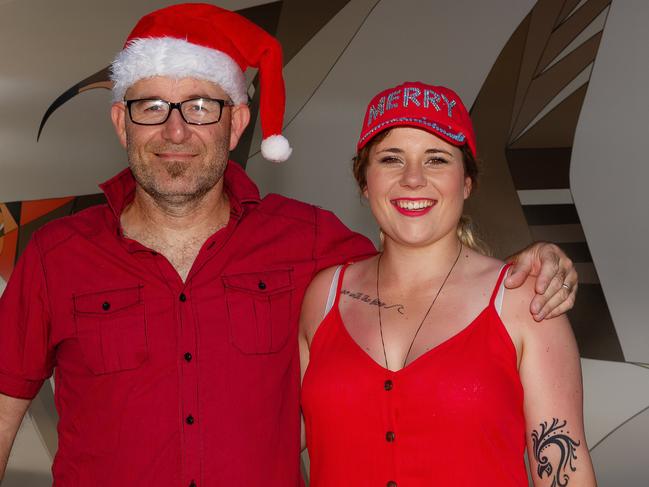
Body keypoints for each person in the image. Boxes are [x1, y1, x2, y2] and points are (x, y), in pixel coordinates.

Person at [0, 5, 577, 487]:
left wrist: (541, 259)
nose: (176, 131)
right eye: (151, 107)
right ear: (122, 123)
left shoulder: (313, 244)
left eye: (202, 106)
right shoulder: (55, 255)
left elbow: (420, 254)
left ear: (238, 121)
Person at [300, 82, 596, 486]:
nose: (413, 179)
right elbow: (270, 446)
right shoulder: (323, 297)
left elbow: (565, 474)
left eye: (436, 159)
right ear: (364, 182)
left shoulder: (524, 302)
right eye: (391, 159)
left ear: (467, 182)